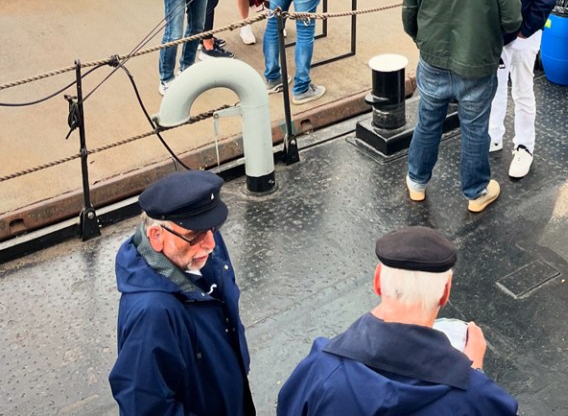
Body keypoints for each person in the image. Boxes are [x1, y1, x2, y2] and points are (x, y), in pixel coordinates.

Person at [277, 226, 518, 416]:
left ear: (377, 282)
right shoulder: (477, 397)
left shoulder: (320, 370)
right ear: (445, 292)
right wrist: (474, 372)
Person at [404, 0, 522, 212]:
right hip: (477, 65)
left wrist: (422, 42)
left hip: (433, 61)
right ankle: (475, 191)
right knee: (474, 129)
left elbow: (409, 15)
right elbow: (513, 20)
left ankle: (416, 181)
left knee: (427, 123)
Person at [109, 171, 254, 416]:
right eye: (194, 236)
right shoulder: (151, 314)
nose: (210, 244)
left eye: (213, 228)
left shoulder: (203, 246)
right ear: (156, 236)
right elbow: (144, 406)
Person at [485, 0, 557, 179]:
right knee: (494, 86)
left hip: (522, 37)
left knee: (522, 90)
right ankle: (493, 135)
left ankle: (524, 147)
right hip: (495, 33)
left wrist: (524, 30)